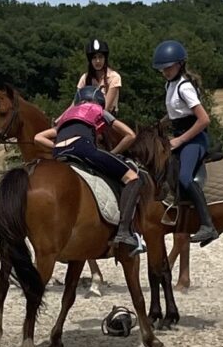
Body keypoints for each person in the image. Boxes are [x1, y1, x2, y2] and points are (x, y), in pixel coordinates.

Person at [33, 97, 147, 256]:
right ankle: (124, 232)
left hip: (59, 152)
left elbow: (38, 138)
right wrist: (113, 154)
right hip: (83, 148)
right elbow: (130, 135)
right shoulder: (99, 111)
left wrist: (57, 147)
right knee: (132, 178)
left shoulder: (66, 117)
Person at [155, 40, 218, 246]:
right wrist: (161, 124)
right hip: (179, 137)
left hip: (194, 138)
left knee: (183, 177)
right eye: (162, 68)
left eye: (169, 67)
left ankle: (208, 225)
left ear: (180, 64)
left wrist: (180, 139)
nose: (165, 71)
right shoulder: (169, 84)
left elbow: (204, 119)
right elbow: (177, 111)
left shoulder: (184, 87)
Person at [70, 40, 121, 287]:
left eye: (101, 57)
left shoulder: (113, 78)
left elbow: (106, 107)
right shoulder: (84, 79)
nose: (97, 61)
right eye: (94, 57)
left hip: (105, 126)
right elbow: (75, 105)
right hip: (85, 127)